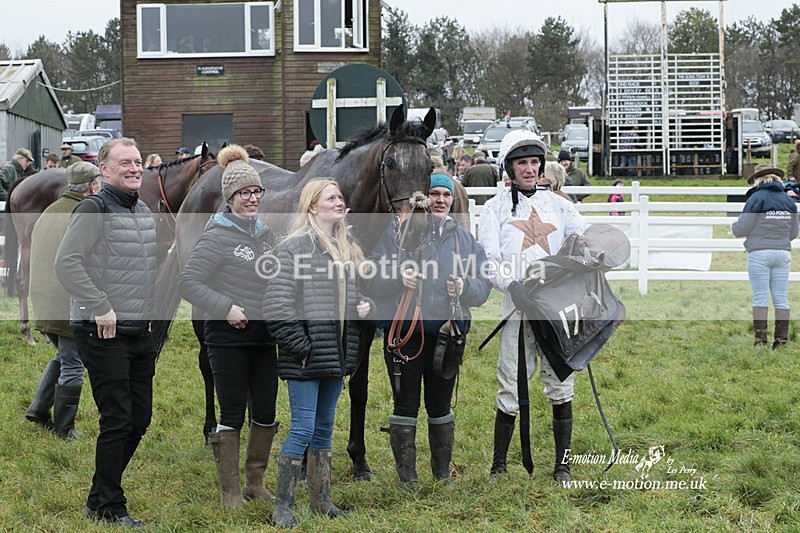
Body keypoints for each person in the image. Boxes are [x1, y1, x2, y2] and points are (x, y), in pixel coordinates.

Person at [54, 137, 158, 528]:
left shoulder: (144, 210)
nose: (134, 169)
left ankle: (99, 496)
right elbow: (67, 264)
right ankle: (110, 505)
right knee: (117, 418)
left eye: (137, 162)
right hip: (102, 330)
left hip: (138, 330)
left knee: (140, 418)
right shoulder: (92, 207)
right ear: (105, 169)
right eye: (125, 163)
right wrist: (99, 305)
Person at [363, 173, 491, 485]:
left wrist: (466, 285)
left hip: (448, 334)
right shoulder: (397, 235)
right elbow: (370, 275)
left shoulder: (465, 240)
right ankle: (408, 477)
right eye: (434, 194)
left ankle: (442, 473)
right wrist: (397, 278)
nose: (440, 200)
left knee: (440, 403)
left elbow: (484, 285)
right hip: (405, 333)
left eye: (446, 195)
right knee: (405, 403)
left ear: (452, 200)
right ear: (423, 198)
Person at [478, 129, 587, 486]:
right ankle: (498, 467)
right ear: (509, 166)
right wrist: (511, 286)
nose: (529, 168)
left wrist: (573, 268)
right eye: (522, 162)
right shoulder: (494, 210)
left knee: (561, 380)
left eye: (534, 162)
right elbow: (489, 259)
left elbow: (584, 242)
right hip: (517, 306)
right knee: (510, 381)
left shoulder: (559, 205)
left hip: (556, 307)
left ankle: (562, 467)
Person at [265, 179, 373, 528]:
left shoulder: (344, 248)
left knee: (325, 429)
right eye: (331, 198)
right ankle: (283, 506)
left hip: (337, 355)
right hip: (307, 357)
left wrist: (361, 306)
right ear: (312, 207)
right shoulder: (294, 249)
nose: (339, 202)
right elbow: (277, 307)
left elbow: (342, 301)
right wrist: (304, 348)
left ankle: (322, 500)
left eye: (341, 197)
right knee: (302, 429)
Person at [178, 145, 279, 509]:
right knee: (233, 412)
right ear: (230, 197)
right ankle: (230, 490)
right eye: (244, 193)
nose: (252, 198)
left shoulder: (266, 235)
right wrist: (225, 308)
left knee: (266, 411)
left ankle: (255, 482)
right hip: (228, 338)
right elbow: (188, 283)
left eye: (256, 192)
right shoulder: (215, 235)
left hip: (265, 338)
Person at [25, 162, 103, 439]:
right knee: (73, 364)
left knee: (63, 356)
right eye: (99, 182)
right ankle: (65, 428)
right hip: (66, 303)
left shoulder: (50, 210)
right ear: (92, 186)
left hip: (43, 302)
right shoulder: (83, 213)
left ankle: (38, 408)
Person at [731, 164, 798, 349]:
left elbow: (743, 226)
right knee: (781, 297)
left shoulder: (756, 198)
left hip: (760, 253)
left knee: (760, 297)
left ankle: (760, 341)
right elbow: (793, 232)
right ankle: (781, 342)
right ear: (776, 179)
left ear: (758, 180)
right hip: (782, 253)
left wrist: (733, 228)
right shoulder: (788, 200)